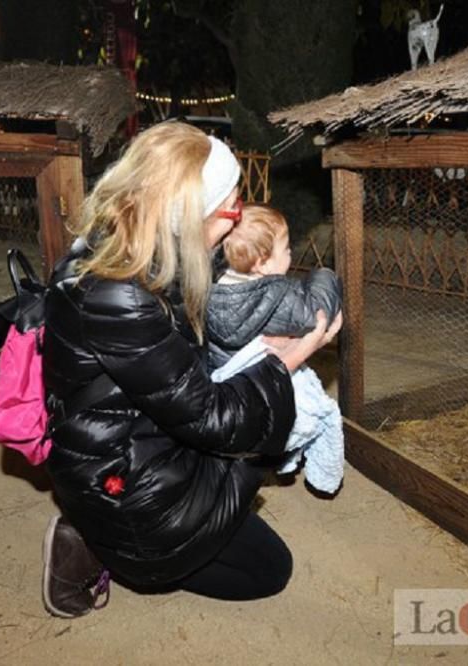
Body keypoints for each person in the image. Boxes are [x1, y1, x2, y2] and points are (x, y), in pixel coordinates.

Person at [39, 121, 342, 617]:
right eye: (231, 208)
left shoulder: (134, 245)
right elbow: (213, 418)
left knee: (245, 478)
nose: (236, 219)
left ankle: (107, 532)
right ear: (188, 214)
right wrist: (291, 355)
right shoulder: (120, 295)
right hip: (124, 478)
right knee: (269, 571)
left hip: (151, 445)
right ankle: (96, 545)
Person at [205, 204, 345, 494]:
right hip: (264, 396)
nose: (291, 254)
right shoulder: (273, 295)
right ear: (263, 264)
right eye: (286, 248)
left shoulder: (212, 287)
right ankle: (321, 473)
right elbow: (314, 313)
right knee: (321, 414)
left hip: (231, 389)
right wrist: (326, 275)